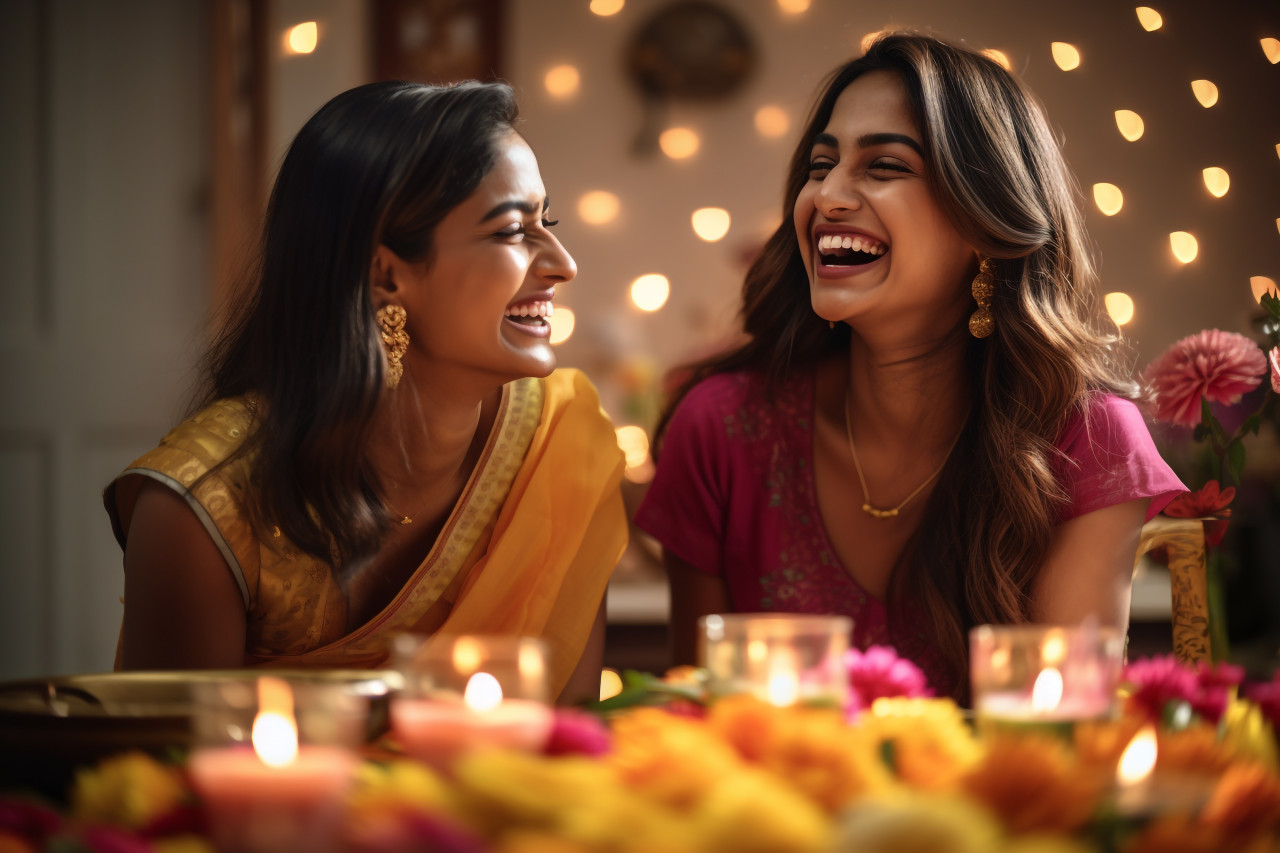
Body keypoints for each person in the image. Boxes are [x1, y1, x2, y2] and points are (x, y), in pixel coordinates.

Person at [634, 33, 1186, 702]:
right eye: (819, 164)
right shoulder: (720, 427)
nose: (827, 196)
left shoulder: (1088, 440)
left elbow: (1064, 740)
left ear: (985, 221)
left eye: (884, 166)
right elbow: (695, 727)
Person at [104, 80, 626, 704]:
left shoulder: (558, 445)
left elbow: (573, 752)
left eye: (550, 222)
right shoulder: (206, 507)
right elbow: (170, 781)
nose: (562, 262)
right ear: (386, 274)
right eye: (513, 231)